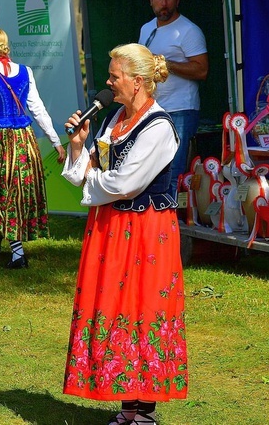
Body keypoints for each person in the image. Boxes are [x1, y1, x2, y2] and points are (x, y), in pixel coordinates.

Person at [62, 43, 186, 425]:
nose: (109, 82)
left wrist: (91, 176)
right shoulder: (115, 117)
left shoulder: (160, 126)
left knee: (143, 306)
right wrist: (79, 146)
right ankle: (127, 406)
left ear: (137, 81)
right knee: (116, 309)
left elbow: (125, 183)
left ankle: (145, 412)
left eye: (115, 76)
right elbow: (94, 169)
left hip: (146, 231)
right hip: (114, 228)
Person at [0, 28, 66, 269]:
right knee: (16, 188)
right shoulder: (25, 72)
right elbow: (37, 109)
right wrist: (55, 141)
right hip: (21, 136)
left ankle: (16, 252)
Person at [138, 0, 208, 197]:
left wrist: (166, 63)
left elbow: (201, 71)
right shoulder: (146, 28)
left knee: (174, 168)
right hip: (152, 108)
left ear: (177, 1)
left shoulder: (189, 30)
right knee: (153, 165)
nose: (164, 3)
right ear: (151, 1)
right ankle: (155, 216)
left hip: (180, 109)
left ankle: (171, 222)